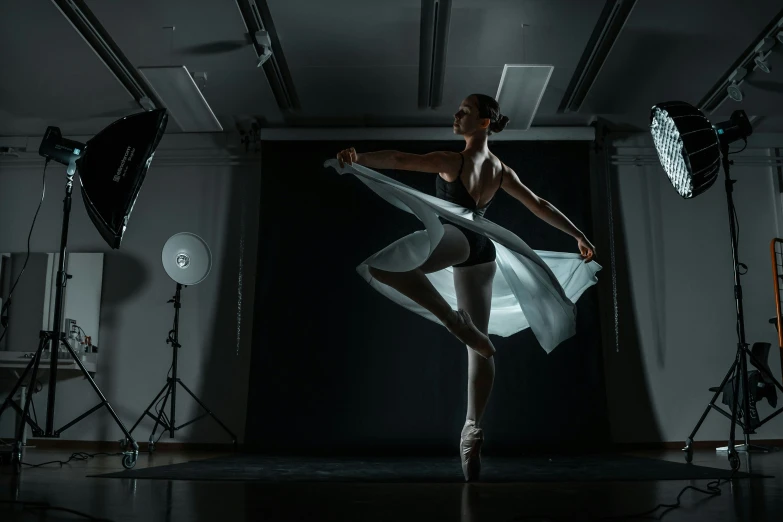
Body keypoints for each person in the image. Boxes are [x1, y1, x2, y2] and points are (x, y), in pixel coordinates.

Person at [334, 93, 597, 481]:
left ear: (484, 123)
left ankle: (453, 321)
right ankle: (472, 430)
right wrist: (578, 234)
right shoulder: (500, 170)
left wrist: (360, 158)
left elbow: (402, 160)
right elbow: (539, 203)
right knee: (481, 349)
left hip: (460, 239)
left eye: (464, 113)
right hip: (482, 250)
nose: (456, 116)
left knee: (382, 266)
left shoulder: (453, 160)